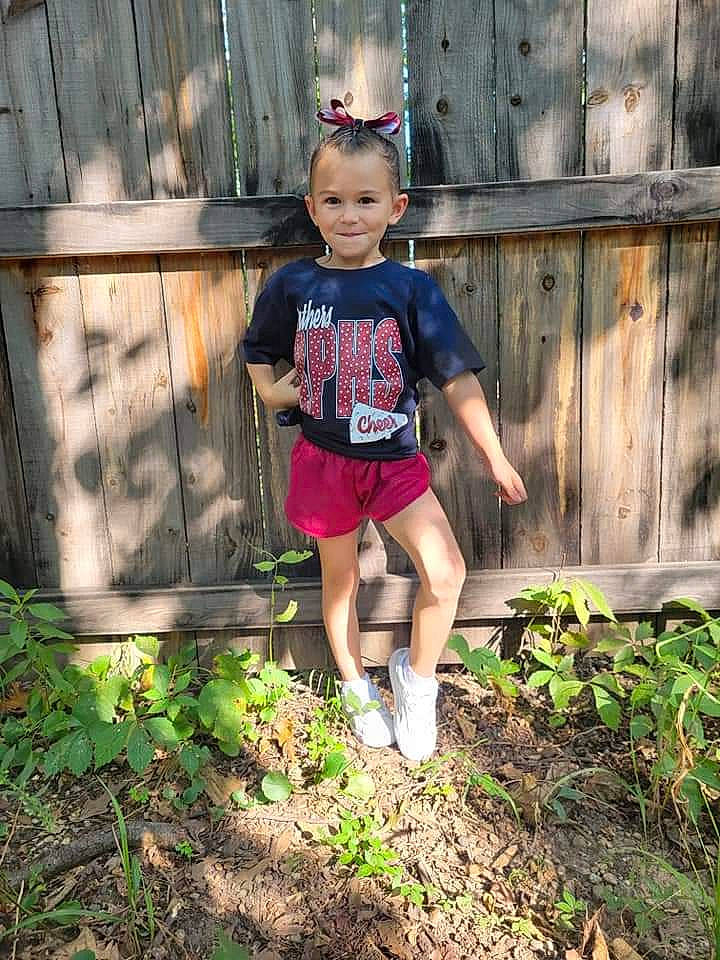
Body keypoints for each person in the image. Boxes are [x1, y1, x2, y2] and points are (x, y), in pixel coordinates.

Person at [243, 98, 527, 763]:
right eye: (334, 201)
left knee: (446, 571)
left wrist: (493, 453)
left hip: (395, 467)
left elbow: (456, 377)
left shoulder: (410, 290)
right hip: (324, 462)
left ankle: (417, 682)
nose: (350, 215)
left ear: (395, 209)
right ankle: (355, 685)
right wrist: (267, 389)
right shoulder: (294, 285)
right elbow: (257, 349)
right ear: (312, 208)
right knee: (340, 581)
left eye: (366, 200)